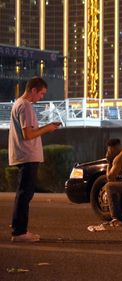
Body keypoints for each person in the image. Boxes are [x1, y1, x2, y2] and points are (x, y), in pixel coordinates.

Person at [8, 77, 60, 242]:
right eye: (41, 93)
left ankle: (20, 230)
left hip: (23, 154)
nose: (42, 97)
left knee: (24, 194)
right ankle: (19, 232)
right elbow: (28, 134)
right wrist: (47, 128)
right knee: (25, 194)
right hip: (27, 155)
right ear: (33, 90)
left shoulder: (18, 103)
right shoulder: (26, 106)